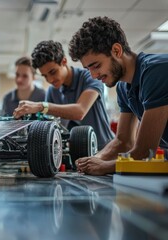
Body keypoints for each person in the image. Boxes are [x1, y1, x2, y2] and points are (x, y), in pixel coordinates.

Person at [68, 16, 168, 175]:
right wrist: (94, 160)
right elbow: (123, 141)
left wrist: (104, 166)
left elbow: (143, 151)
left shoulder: (156, 71)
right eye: (88, 70)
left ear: (116, 50)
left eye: (96, 66)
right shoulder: (123, 87)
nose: (93, 76)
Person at [14, 40, 114, 150]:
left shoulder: (90, 77)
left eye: (53, 72)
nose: (50, 79)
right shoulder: (52, 91)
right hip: (75, 152)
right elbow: (47, 126)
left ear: (64, 61)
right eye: (45, 76)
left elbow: (80, 111)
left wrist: (40, 106)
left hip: (104, 148)